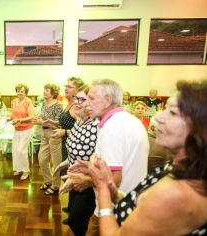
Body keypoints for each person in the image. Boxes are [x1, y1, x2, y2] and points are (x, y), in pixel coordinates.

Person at [88, 80, 207, 236]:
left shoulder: (176, 192)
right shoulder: (183, 168)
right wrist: (115, 193)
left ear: (199, 127)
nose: (158, 117)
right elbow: (141, 205)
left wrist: (102, 189)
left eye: (172, 112)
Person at [67, 79, 149, 236]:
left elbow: (113, 179)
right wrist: (90, 167)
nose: (87, 104)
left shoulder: (111, 127)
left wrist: (86, 180)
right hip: (129, 204)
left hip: (112, 209)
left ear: (108, 100)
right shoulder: (128, 120)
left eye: (91, 98)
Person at [52, 84, 98, 236]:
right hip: (74, 177)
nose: (77, 102)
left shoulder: (96, 126)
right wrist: (63, 164)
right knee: (73, 218)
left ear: (92, 103)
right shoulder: (79, 122)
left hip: (88, 182)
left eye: (82, 99)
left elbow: (99, 160)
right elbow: (75, 149)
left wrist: (85, 177)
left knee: (78, 222)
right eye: (77, 98)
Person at [45, 76, 84, 223]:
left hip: (73, 143)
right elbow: (65, 123)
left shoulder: (77, 107)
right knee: (69, 174)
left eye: (70, 86)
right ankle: (71, 206)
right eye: (65, 86)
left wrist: (64, 132)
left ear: (78, 90)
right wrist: (53, 123)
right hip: (65, 142)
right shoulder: (68, 104)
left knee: (72, 175)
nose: (66, 88)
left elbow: (80, 129)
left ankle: (75, 212)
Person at [34, 83, 63, 195]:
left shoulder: (58, 106)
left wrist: (43, 122)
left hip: (54, 134)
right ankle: (48, 181)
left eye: (47, 90)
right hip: (44, 134)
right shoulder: (44, 104)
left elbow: (59, 124)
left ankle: (56, 185)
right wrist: (38, 120)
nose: (44, 92)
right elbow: (41, 117)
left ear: (53, 93)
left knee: (56, 162)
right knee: (42, 160)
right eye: (44, 90)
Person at [8, 84, 34, 180]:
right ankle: (18, 169)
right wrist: (9, 118)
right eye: (18, 91)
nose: (20, 93)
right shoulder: (14, 101)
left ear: (25, 92)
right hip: (17, 129)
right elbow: (13, 113)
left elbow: (31, 116)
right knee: (15, 150)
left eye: (22, 91)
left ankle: (26, 170)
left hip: (27, 129)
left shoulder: (28, 102)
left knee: (21, 150)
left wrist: (19, 120)